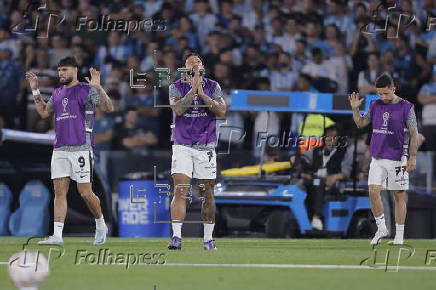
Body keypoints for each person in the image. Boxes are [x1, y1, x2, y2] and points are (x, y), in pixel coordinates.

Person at [25, 57, 114, 245]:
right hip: (59, 149)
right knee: (59, 192)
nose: (60, 74)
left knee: (85, 193)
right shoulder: (57, 93)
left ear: (75, 70)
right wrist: (35, 89)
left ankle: (100, 224)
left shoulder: (85, 89)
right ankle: (57, 236)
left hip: (81, 147)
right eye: (59, 70)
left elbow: (108, 107)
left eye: (64, 70)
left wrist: (99, 88)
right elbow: (43, 112)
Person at [349, 72, 418, 245]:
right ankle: (382, 228)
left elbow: (414, 134)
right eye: (379, 93)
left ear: (393, 88)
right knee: (373, 192)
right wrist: (355, 108)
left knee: (398, 195)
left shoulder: (407, 107)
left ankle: (399, 235)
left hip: (398, 157)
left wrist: (412, 157)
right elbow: (360, 123)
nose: (382, 97)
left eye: (386, 93)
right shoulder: (374, 105)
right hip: (377, 156)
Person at [168, 52, 226, 250]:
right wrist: (193, 89)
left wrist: (202, 94)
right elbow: (178, 110)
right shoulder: (175, 87)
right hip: (182, 145)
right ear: (184, 68)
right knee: (181, 190)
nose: (195, 65)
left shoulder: (213, 86)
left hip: (206, 146)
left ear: (203, 66)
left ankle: (208, 239)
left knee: (207, 193)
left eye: (198, 62)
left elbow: (221, 111)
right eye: (190, 63)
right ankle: (176, 237)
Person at [300, 126, 353, 230]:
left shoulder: (346, 152)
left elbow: (346, 173)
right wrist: (296, 162)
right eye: (328, 136)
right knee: (303, 183)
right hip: (315, 180)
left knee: (318, 183)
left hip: (335, 184)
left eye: (334, 136)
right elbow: (302, 159)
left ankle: (316, 216)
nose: (331, 139)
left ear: (338, 138)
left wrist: (335, 176)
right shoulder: (316, 151)